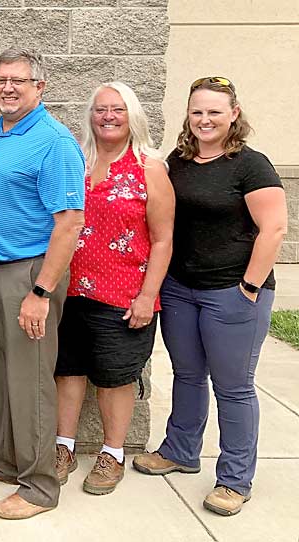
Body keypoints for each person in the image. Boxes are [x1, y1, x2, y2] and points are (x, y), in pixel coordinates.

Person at [133, 77, 287, 517]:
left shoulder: (250, 165)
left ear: (233, 114)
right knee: (186, 374)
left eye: (215, 112)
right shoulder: (177, 162)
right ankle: (180, 450)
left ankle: (235, 479)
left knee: (234, 387)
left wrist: (250, 288)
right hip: (181, 289)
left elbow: (274, 228)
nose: (205, 119)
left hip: (233, 293)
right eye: (197, 111)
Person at [0, 47, 85, 520]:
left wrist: (41, 291)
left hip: (29, 276)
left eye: (18, 81)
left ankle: (37, 486)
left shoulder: (54, 141)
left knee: (29, 381)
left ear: (40, 87)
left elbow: (69, 222)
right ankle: (2, 461)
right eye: (1, 79)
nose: (7, 88)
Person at [53, 81, 174, 495]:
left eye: (117, 109)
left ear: (132, 116)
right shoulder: (77, 161)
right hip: (70, 290)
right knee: (66, 370)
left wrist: (146, 295)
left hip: (124, 294)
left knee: (115, 377)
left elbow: (162, 238)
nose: (108, 116)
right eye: (101, 109)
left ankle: (112, 452)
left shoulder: (149, 167)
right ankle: (63, 446)